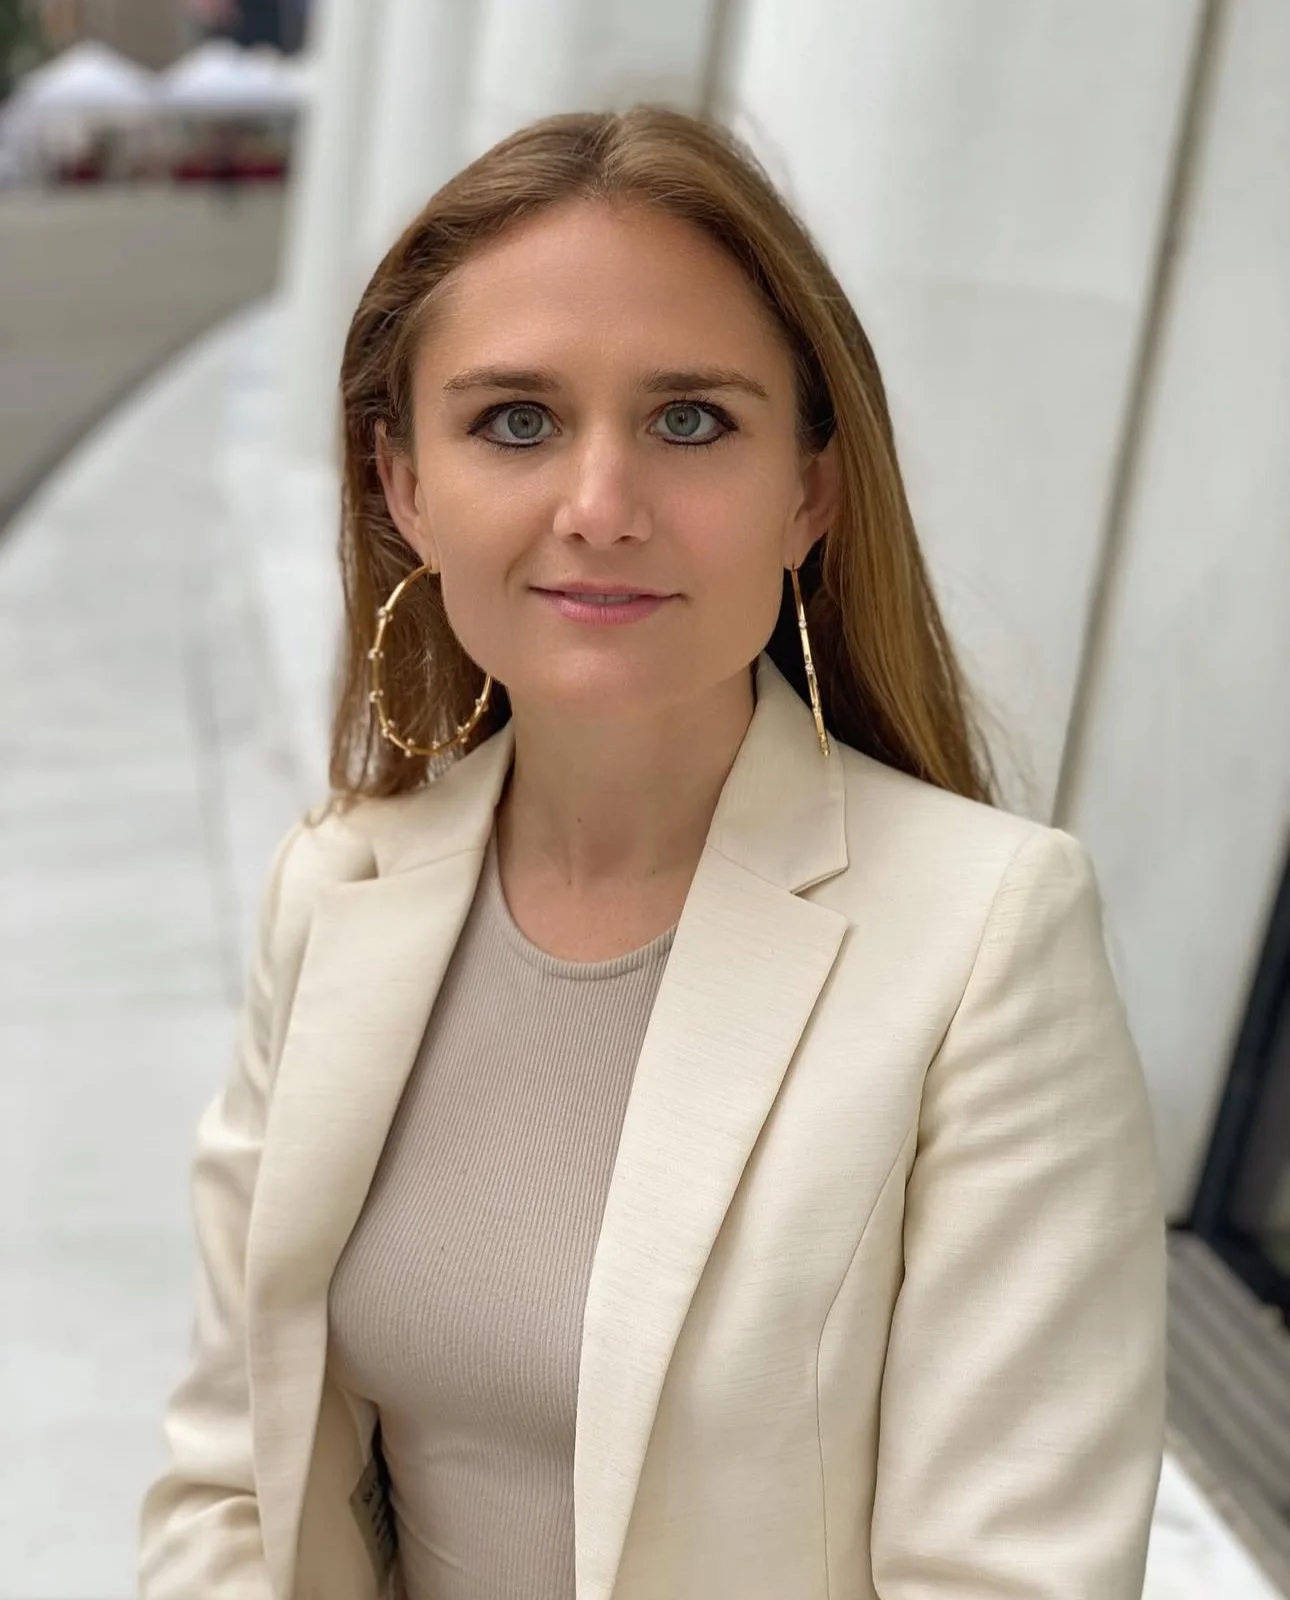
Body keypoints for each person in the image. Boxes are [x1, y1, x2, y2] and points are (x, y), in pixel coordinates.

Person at [138, 107, 1166, 1600]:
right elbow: (231, 1482)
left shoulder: (984, 937)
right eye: (513, 421)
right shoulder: (339, 888)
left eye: (690, 420)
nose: (600, 509)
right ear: (402, 485)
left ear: (808, 491)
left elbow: (1010, 1577)